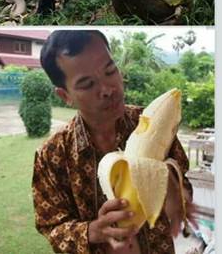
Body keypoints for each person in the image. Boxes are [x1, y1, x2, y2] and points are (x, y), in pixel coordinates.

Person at [32, 30, 195, 253]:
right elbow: (50, 225)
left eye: (110, 71)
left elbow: (183, 181)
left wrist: (176, 188)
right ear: (65, 96)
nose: (108, 89)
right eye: (87, 84)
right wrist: (93, 231)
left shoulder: (152, 122)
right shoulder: (51, 156)